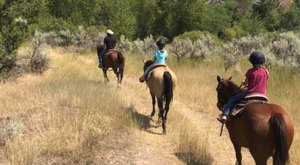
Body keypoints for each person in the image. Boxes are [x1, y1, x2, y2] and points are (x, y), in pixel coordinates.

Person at [217, 51, 270, 123]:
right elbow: (264, 79)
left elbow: (245, 83)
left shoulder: (250, 71)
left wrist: (243, 82)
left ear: (252, 62)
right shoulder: (265, 72)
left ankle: (224, 115)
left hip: (250, 94)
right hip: (263, 95)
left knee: (233, 99)